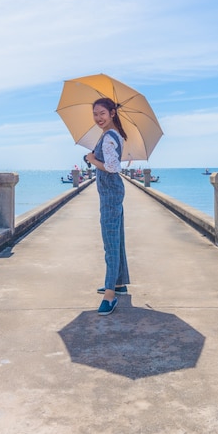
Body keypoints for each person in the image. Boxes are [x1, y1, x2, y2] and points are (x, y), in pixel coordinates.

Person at [85, 97, 130, 315]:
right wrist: (93, 157)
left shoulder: (109, 137)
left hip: (111, 195)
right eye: (95, 114)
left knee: (110, 243)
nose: (98, 118)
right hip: (112, 193)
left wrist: (91, 159)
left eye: (102, 113)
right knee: (117, 239)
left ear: (112, 113)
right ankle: (119, 283)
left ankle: (110, 295)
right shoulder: (113, 135)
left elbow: (112, 167)